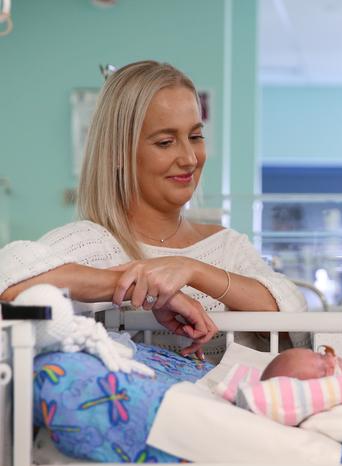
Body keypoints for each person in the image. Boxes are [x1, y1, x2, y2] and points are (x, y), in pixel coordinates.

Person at [0, 60, 306, 360]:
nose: (189, 158)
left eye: (196, 137)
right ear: (119, 152)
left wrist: (192, 270)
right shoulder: (91, 244)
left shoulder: (228, 247)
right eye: (165, 142)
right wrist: (140, 286)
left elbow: (293, 314)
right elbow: (9, 283)